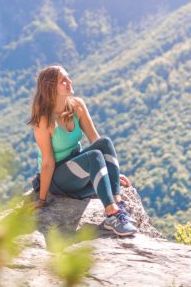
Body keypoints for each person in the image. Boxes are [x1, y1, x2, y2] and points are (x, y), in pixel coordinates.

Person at [28, 65, 137, 237]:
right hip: (58, 178)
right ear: (50, 88)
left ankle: (118, 205)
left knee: (105, 142)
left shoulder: (77, 106)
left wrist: (112, 173)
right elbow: (48, 162)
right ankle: (111, 215)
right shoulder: (44, 121)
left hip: (76, 164)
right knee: (93, 156)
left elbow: (96, 140)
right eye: (63, 80)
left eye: (68, 77)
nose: (69, 82)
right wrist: (42, 199)